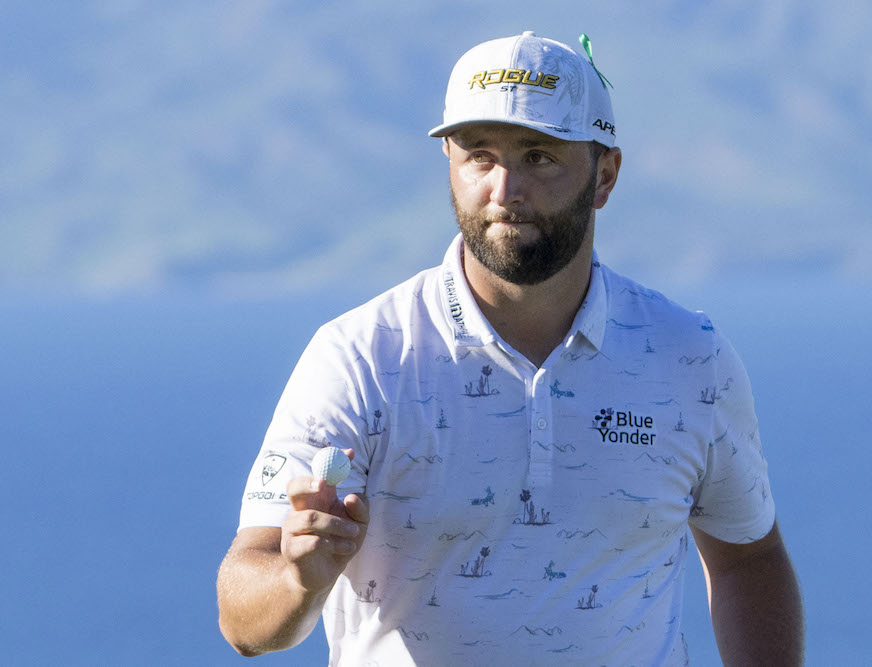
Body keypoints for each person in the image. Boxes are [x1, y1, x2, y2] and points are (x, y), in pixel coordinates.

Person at [217, 31, 804, 666]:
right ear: (449, 161)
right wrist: (298, 580)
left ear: (605, 175)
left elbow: (749, 556)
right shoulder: (360, 359)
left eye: (539, 156)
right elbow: (245, 622)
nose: (505, 188)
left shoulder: (690, 357)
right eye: (480, 156)